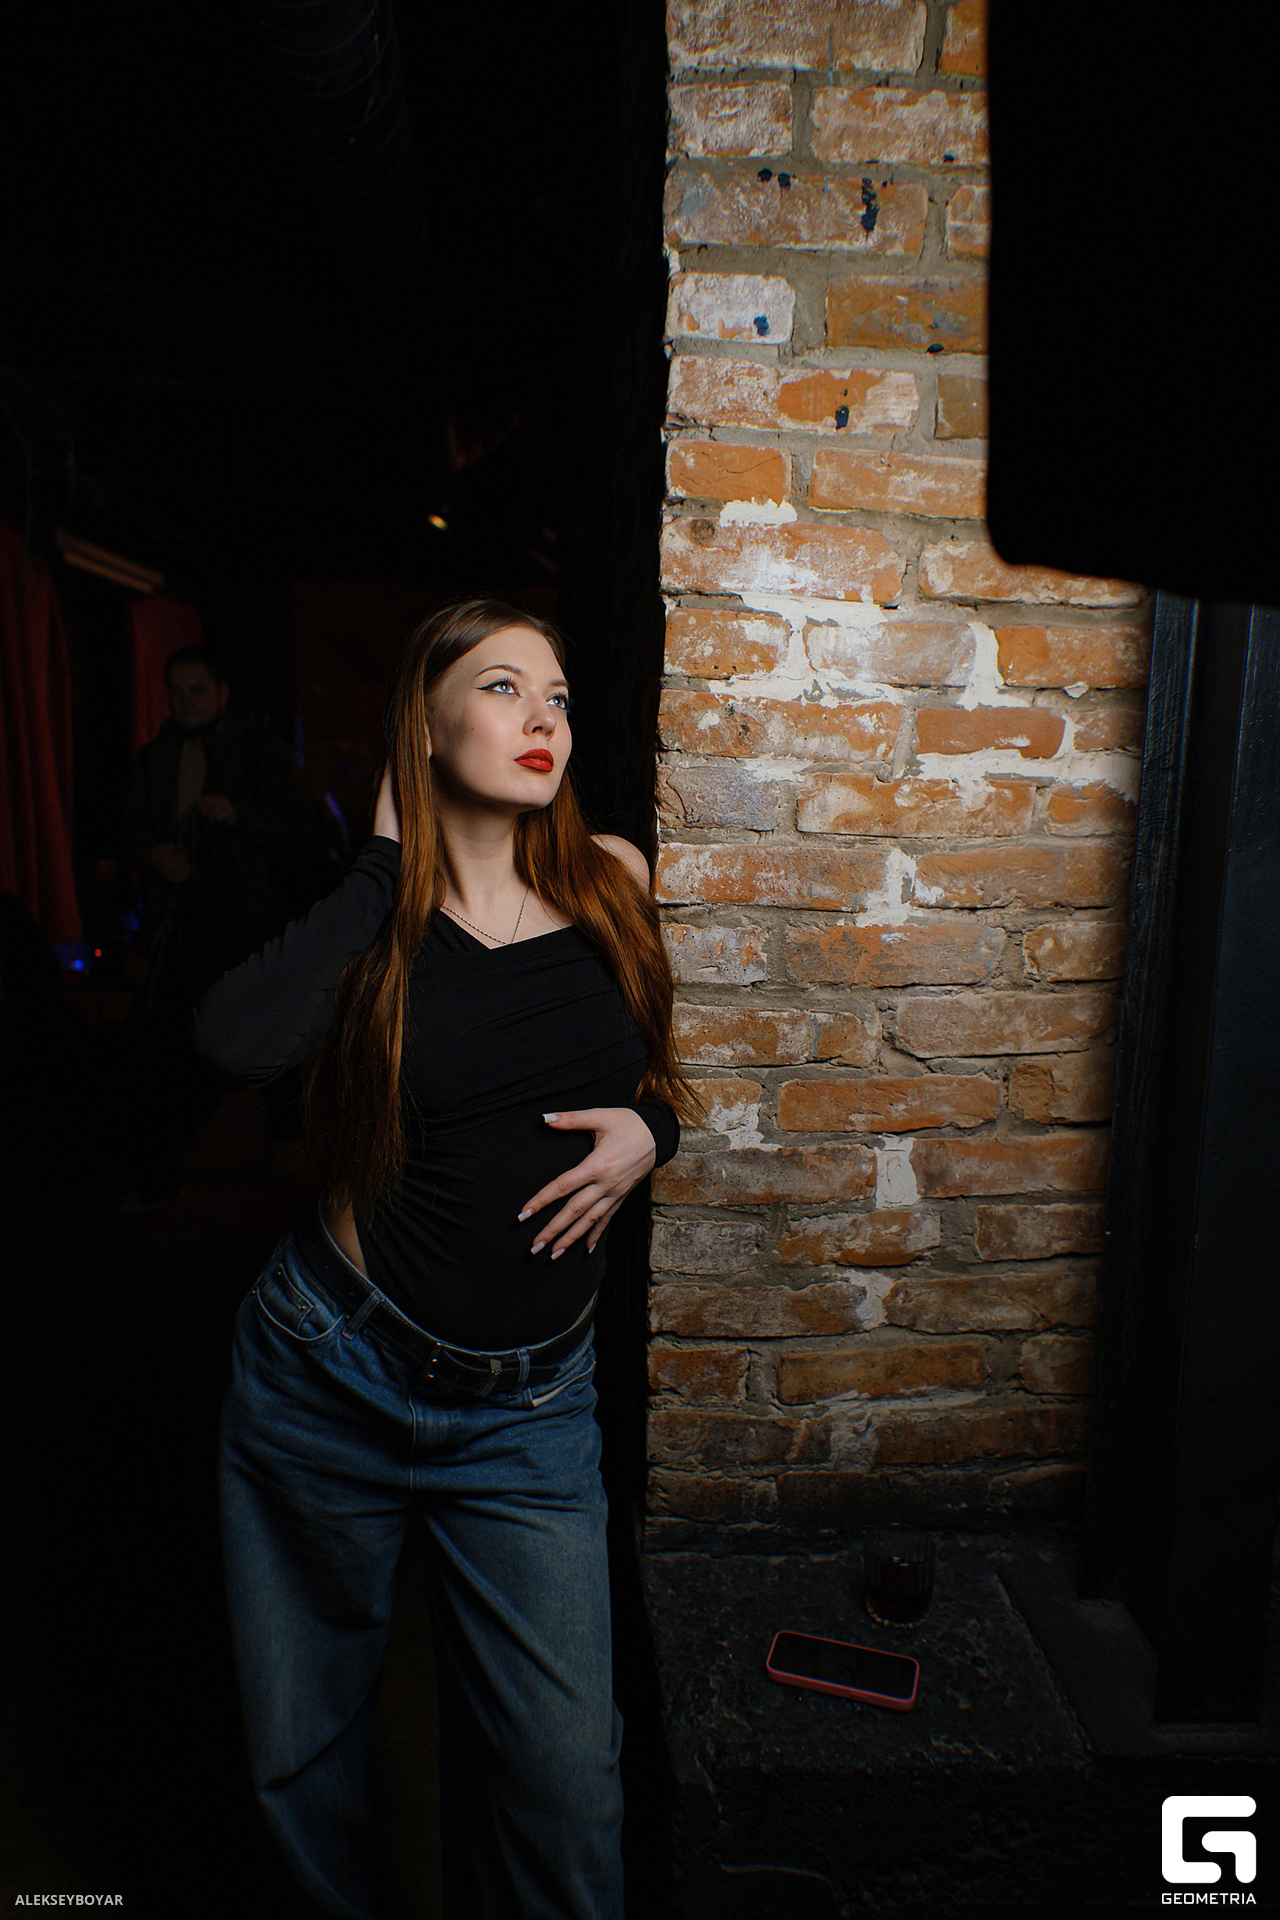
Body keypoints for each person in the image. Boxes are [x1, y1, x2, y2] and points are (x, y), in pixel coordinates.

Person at [194, 598, 698, 1919]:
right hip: (331, 1376)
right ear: (423, 726)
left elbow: (649, 1076)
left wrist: (653, 1132)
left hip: (530, 1415)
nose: (544, 718)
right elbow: (234, 1044)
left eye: (558, 694)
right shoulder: (373, 924)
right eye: (501, 686)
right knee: (304, 1760)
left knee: (563, 1789)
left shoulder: (612, 875)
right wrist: (379, 863)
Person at [120, 646, 321, 1203]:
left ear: (221, 692)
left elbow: (303, 828)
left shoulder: (256, 750)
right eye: (177, 692)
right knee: (175, 1045)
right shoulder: (154, 758)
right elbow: (130, 830)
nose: (186, 703)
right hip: (182, 925)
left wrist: (239, 815)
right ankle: (163, 1166)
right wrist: (154, 855)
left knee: (268, 1034)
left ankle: (283, 1134)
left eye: (198, 691)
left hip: (249, 922)